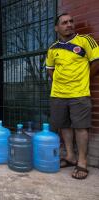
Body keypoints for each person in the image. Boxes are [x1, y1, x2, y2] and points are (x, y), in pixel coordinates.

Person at [46, 13, 99, 179]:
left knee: (81, 127)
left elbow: (97, 61)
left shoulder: (85, 41)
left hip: (79, 93)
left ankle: (82, 162)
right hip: (58, 94)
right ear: (57, 28)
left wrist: (84, 79)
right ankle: (70, 156)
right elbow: (50, 68)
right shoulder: (52, 48)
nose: (69, 24)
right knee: (64, 126)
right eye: (64, 23)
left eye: (71, 21)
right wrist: (59, 83)